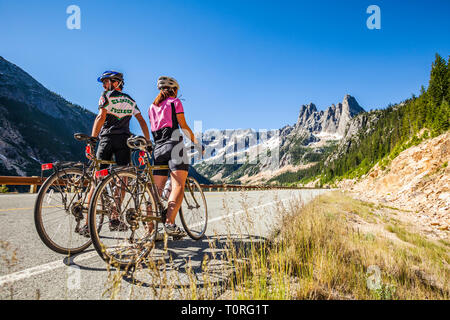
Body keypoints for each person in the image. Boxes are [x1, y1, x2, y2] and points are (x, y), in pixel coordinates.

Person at [78, 70, 150, 237]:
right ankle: (115, 218)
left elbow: (101, 117)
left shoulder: (106, 96)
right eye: (103, 82)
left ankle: (89, 225)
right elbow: (141, 121)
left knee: (97, 179)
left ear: (116, 83)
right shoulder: (130, 100)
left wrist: (92, 140)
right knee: (122, 179)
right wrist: (146, 142)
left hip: (107, 140)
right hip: (124, 141)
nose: (104, 85)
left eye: (106, 81)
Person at [148, 76, 204, 237]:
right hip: (174, 146)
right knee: (179, 184)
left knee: (155, 190)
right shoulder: (175, 102)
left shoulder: (151, 107)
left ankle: (150, 230)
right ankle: (170, 224)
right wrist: (197, 144)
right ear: (174, 90)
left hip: (158, 149)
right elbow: (184, 126)